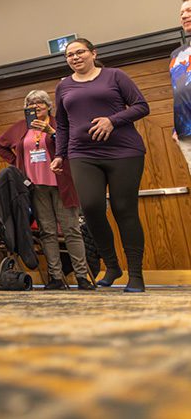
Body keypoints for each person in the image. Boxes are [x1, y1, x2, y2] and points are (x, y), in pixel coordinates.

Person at [51, 38, 150, 292]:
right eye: (69, 55)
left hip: (124, 151)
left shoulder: (115, 76)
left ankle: (136, 275)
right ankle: (112, 265)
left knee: (123, 209)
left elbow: (141, 106)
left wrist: (112, 121)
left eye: (80, 52)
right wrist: (60, 154)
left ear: (93, 53)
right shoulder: (63, 87)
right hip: (82, 152)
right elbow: (62, 124)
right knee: (92, 207)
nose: (74, 57)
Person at [0, 90, 94, 290]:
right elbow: (0, 145)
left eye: (40, 103)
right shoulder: (21, 127)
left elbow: (74, 145)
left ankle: (82, 276)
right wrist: (17, 163)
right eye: (31, 104)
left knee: (71, 230)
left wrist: (52, 132)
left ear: (49, 106)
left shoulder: (59, 124)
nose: (36, 107)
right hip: (35, 187)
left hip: (62, 184)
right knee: (47, 232)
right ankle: (56, 277)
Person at [171, 0, 191, 174]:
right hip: (186, 131)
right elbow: (179, 91)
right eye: (181, 13)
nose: (184, 16)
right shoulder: (177, 54)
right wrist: (176, 126)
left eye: (189, 11)